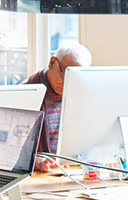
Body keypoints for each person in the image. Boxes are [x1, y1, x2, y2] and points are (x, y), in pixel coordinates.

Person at [20, 43, 91, 171]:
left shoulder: (81, 98)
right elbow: (5, 151)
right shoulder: (23, 95)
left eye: (75, 76)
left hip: (69, 172)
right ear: (52, 63)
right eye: (64, 73)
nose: (67, 81)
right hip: (34, 176)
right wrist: (34, 161)